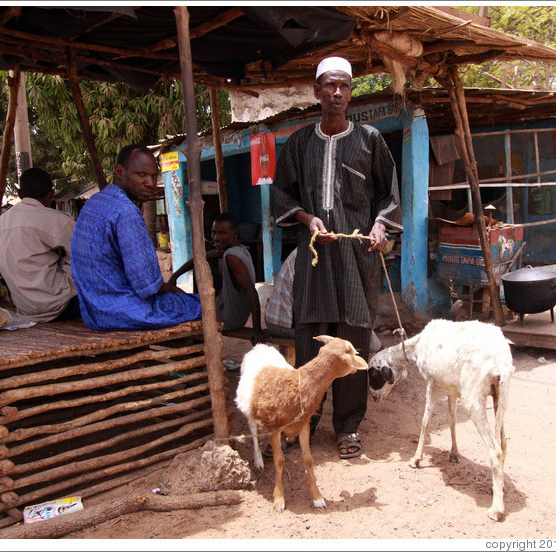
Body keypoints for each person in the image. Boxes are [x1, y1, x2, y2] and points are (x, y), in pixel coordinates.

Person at [272, 56, 402, 459]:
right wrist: (308, 217)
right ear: (316, 90)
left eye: (344, 86)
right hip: (313, 261)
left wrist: (380, 225)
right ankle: (304, 419)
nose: (337, 93)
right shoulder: (298, 143)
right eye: (329, 85)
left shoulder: (370, 140)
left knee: (352, 339)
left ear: (351, 91)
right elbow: (283, 198)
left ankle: (347, 427)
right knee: (310, 337)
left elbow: (389, 196)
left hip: (356, 259)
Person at [70, 144, 202, 331]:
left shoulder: (95, 201)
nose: (150, 182)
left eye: (153, 176)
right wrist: (176, 290)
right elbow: (146, 283)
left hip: (92, 311)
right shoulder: (126, 212)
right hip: (121, 312)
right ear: (120, 172)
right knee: (202, 305)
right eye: (141, 175)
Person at [0, 168, 79, 322]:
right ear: (52, 193)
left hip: (26, 309)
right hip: (62, 304)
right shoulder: (59, 220)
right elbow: (88, 259)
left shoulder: (1, 223)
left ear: (19, 194)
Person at [170, 212, 264, 344]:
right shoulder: (238, 249)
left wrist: (257, 330)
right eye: (214, 233)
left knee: (175, 309)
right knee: (186, 300)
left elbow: (251, 291)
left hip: (227, 319)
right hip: (228, 311)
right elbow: (201, 258)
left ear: (234, 233)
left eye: (222, 233)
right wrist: (175, 275)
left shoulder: (232, 257)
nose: (216, 238)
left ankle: (193, 350)